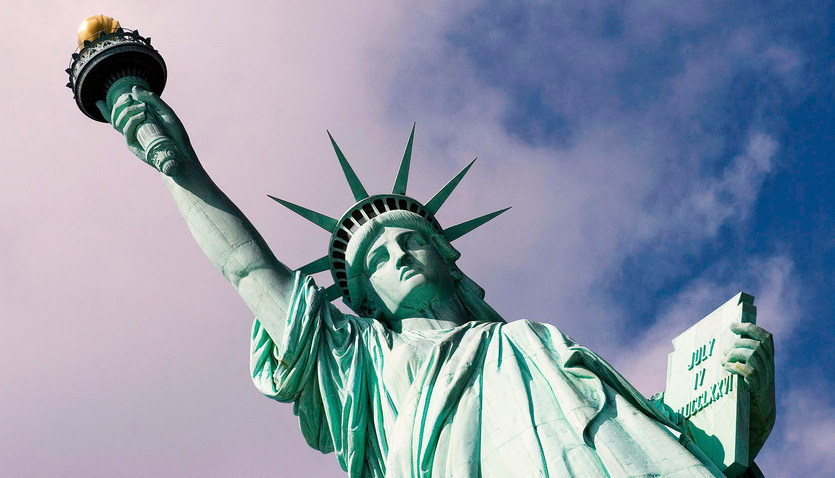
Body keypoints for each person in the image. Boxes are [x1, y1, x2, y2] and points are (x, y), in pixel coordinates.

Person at [98, 87, 775, 477]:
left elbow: (650, 445)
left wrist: (733, 403)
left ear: (447, 259)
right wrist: (178, 168)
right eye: (375, 258)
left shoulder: (530, 345)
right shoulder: (367, 364)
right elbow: (247, 269)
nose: (397, 252)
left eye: (411, 239)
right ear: (361, 299)